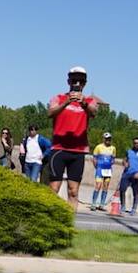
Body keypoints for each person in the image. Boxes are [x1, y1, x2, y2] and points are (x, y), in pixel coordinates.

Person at [46, 66, 100, 210]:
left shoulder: (90, 101)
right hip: (59, 149)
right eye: (74, 80)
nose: (77, 84)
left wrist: (82, 103)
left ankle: (70, 223)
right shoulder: (58, 98)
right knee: (54, 188)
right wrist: (67, 103)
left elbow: (93, 112)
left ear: (84, 84)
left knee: (73, 190)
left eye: (80, 81)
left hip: (78, 150)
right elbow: (50, 112)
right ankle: (50, 219)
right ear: (68, 81)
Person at [119, 137, 138, 215]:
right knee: (122, 189)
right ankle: (123, 206)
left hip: (136, 174)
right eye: (135, 143)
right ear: (133, 143)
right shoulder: (129, 151)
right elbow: (124, 160)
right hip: (127, 173)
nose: (136, 144)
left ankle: (134, 209)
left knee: (135, 192)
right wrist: (125, 163)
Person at [89, 132, 116, 210]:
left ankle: (102, 204)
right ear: (104, 139)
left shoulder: (113, 148)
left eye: (109, 139)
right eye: (107, 139)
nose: (108, 140)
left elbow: (113, 158)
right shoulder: (98, 147)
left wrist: (111, 162)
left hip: (108, 169)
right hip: (100, 169)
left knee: (106, 186)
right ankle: (93, 204)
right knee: (98, 185)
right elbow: (94, 158)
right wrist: (96, 167)